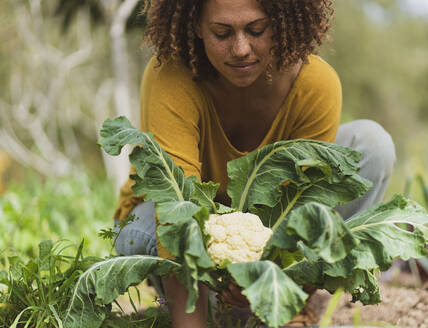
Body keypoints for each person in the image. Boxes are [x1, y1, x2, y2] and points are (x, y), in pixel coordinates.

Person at [113, 0, 396, 327]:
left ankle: (281, 307)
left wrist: (280, 285)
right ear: (196, 26)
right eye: (221, 33)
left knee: (372, 146)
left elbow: (307, 212)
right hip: (157, 225)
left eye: (256, 30)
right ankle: (205, 307)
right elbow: (175, 215)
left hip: (266, 239)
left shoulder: (314, 84)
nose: (241, 49)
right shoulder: (171, 75)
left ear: (280, 21)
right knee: (156, 222)